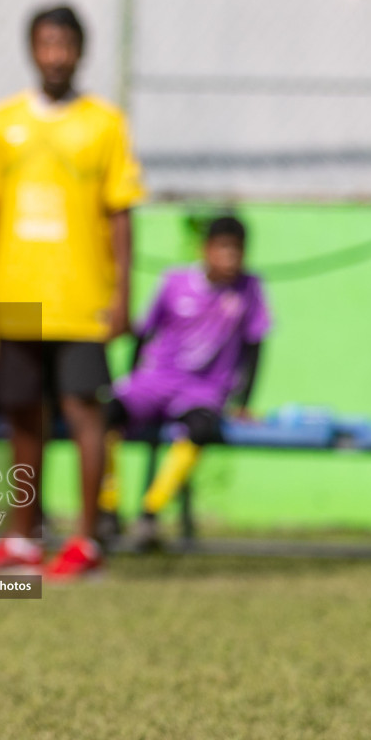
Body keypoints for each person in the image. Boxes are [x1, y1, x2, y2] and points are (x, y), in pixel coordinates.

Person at [0, 4, 144, 580]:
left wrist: (121, 292)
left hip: (81, 298)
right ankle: (22, 540)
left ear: (80, 51)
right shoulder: (2, 120)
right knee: (22, 416)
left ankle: (86, 539)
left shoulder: (105, 124)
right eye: (46, 43)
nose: (56, 55)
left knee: (85, 414)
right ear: (32, 49)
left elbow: (120, 214)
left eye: (66, 44)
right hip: (15, 295)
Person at [100, 215, 269, 550]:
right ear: (206, 249)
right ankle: (108, 508)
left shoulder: (250, 289)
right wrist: (133, 379)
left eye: (238, 250)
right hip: (155, 381)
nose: (231, 257)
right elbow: (144, 333)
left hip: (203, 391)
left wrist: (244, 401)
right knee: (105, 416)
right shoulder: (175, 282)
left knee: (202, 429)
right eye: (224, 248)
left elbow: (254, 347)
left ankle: (150, 513)